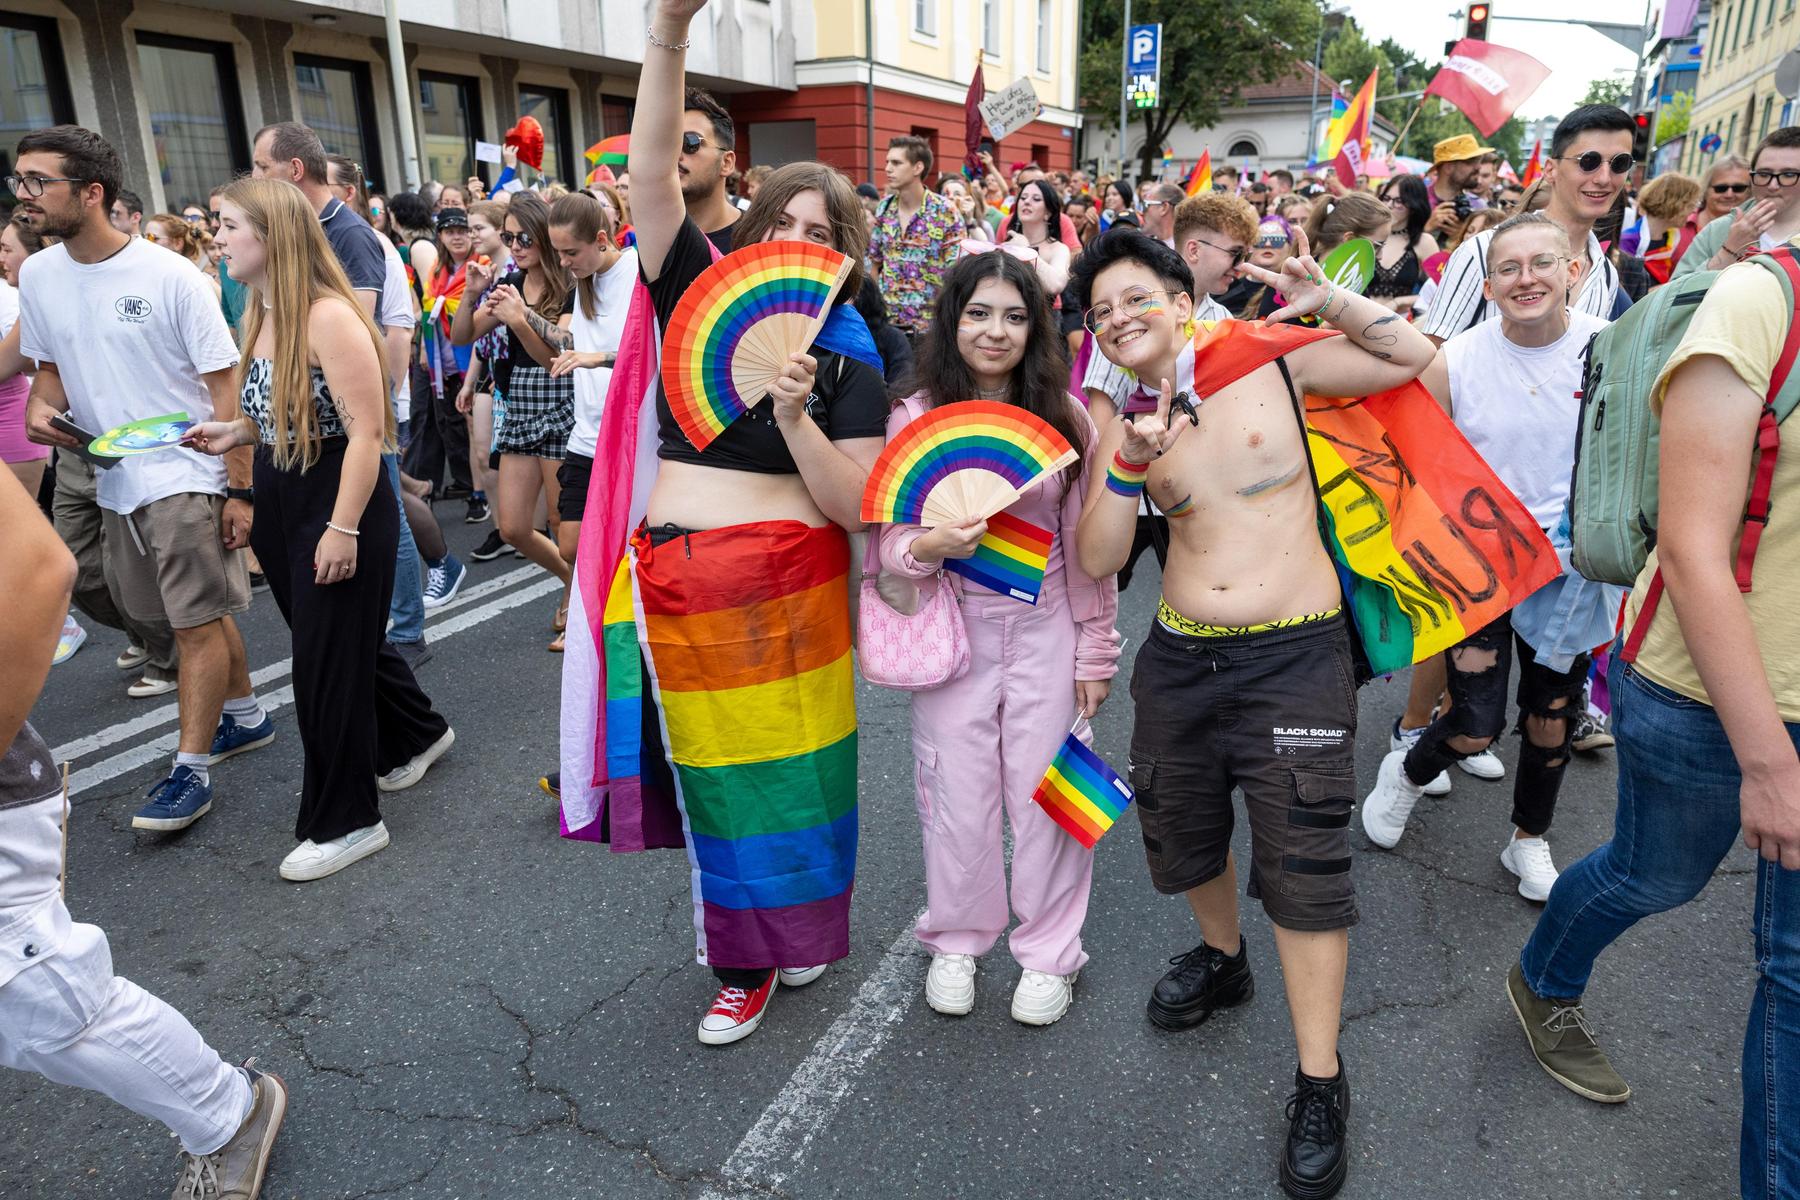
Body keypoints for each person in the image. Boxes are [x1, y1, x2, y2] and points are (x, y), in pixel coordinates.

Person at [1072, 227, 1438, 1199]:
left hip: (1296, 652)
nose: (1118, 320)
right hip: (1183, 656)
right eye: (1101, 313)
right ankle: (1223, 957)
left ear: (1180, 296)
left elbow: (1414, 357)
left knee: (1306, 859)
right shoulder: (1123, 417)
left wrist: (1329, 299)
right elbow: (1101, 559)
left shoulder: (1268, 360)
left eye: (1133, 297)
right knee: (1179, 826)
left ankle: (1321, 1078)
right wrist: (1126, 467)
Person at [599, 0, 888, 1047]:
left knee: (793, 777)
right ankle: (753, 950)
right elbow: (648, 178)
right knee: (712, 782)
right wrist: (669, 32)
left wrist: (800, 412)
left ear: (846, 256)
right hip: (677, 575)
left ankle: (770, 948)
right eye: (786, 227)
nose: (801, 244)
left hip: (789, 582)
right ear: (754, 231)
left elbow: (855, 505)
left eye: (825, 235)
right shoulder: (692, 284)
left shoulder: (851, 345)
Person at [1508, 218, 1800, 1200]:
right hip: (1704, 693)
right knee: (1654, 876)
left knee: (1794, 972)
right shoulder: (1761, 304)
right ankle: (1543, 977)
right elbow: (1691, 549)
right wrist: (1768, 761)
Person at [0, 464, 289, 1200]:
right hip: (125, 484)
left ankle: (229, 1114)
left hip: (172, 480)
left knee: (40, 1000)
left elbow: (38, 567)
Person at [879, 251, 1120, 1025]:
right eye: (980, 313)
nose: (996, 331)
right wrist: (927, 548)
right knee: (955, 794)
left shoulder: (1068, 417)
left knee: (1048, 797)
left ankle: (1051, 952)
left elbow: (1089, 551)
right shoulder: (914, 415)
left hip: (1047, 627)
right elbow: (888, 547)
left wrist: (1096, 648)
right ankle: (956, 938)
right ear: (953, 321)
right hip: (954, 633)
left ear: (1037, 326)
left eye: (1015, 316)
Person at [191, 177, 453, 880]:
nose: (216, 238)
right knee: (338, 646)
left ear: (272, 235)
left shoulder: (330, 316)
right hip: (283, 495)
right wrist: (232, 431)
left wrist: (343, 529)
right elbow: (283, 411)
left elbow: (369, 433)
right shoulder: (260, 309)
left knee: (321, 667)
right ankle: (420, 734)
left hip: (337, 499)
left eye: (228, 226)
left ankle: (348, 820)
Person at [16, 125, 273, 828]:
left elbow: (227, 390)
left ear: (91, 193)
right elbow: (52, 371)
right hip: (112, 476)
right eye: (20, 180)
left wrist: (239, 489)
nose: (24, 195)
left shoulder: (171, 276)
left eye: (40, 182)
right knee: (181, 616)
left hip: (186, 469)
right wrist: (44, 408)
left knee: (192, 625)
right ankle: (246, 714)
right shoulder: (38, 275)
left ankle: (188, 771)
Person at [1360, 212, 1620, 902]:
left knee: (1552, 716)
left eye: (1542, 263)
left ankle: (1528, 841)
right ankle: (1408, 773)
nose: (1525, 278)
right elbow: (1418, 463)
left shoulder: (1612, 349)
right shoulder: (1457, 358)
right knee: (1476, 724)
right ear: (1488, 282)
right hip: (1481, 567)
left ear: (1574, 272)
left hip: (1572, 574)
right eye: (1508, 268)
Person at [1082, 192, 1257, 592]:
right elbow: (1102, 403)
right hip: (1135, 486)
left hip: (1201, 495)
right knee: (1107, 583)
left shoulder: (1226, 321)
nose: (1240, 266)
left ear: (1181, 307)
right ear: (1194, 248)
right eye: (1234, 253)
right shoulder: (1119, 316)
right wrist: (1108, 478)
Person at [452, 192, 576, 616]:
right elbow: (462, 336)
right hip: (521, 401)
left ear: (543, 235)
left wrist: (520, 319)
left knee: (563, 524)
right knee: (514, 527)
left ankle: (574, 599)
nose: (517, 246)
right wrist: (471, 295)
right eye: (510, 237)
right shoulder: (511, 284)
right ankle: (572, 581)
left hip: (563, 399)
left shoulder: (571, 283)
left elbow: (554, 357)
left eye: (524, 237)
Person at [544, 191, 634, 651]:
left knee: (627, 544)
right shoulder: (582, 279)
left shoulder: (638, 272)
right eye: (558, 253)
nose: (563, 263)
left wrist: (597, 358)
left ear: (601, 239)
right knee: (571, 544)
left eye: (570, 252)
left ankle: (612, 628)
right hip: (585, 435)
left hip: (630, 435)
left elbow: (653, 355)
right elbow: (565, 345)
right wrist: (520, 317)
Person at [456, 198, 512, 559]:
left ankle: (529, 529)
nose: (471, 234)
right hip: (490, 372)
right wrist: (468, 381)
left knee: (519, 457)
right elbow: (478, 336)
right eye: (469, 228)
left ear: (499, 230)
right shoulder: (486, 273)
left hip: (518, 375)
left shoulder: (515, 272)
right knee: (483, 454)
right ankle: (502, 529)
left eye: (479, 228)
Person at [1674, 129, 1800, 279]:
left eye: (1788, 175)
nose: (1773, 185)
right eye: (1764, 174)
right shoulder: (1718, 230)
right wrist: (1729, 251)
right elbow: (1672, 298)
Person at [869, 134, 961, 340]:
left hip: (929, 327)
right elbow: (875, 264)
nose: (887, 169)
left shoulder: (945, 211)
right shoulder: (884, 208)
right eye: (887, 162)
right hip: (888, 325)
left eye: (896, 162)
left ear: (917, 168)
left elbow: (956, 272)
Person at [676, 87, 742, 253]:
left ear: (726, 163)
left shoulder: (758, 238)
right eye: (668, 144)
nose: (676, 155)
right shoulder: (652, 240)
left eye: (690, 142)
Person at [1370, 175, 1440, 315]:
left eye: (1399, 201)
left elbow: (1441, 291)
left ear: (1413, 205)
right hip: (1357, 318)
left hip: (1399, 324)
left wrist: (1399, 302)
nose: (1389, 205)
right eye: (1386, 198)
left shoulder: (1424, 242)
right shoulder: (1368, 234)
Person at [997, 178, 1072, 298]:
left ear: (1048, 212)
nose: (1027, 202)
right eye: (1023, 198)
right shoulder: (1010, 244)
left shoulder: (1058, 249)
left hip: (1045, 315)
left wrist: (1026, 251)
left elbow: (1056, 285)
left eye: (1036, 199)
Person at [1423, 134, 1489, 240]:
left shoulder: (1479, 207)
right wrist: (1426, 229)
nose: (1478, 167)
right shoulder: (1416, 201)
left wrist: (1464, 235)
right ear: (1448, 168)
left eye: (1478, 161)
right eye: (1471, 161)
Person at [1139, 181, 1184, 247]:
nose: (1141, 213)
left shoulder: (1186, 251)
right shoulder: (1145, 248)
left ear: (1164, 208)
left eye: (1146, 205)